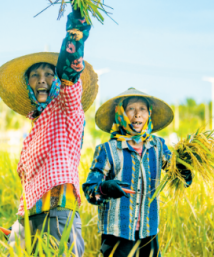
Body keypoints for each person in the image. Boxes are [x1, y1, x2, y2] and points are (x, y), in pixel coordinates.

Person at [0, 0, 98, 256]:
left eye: (48, 74)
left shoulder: (67, 108)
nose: (42, 81)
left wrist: (76, 21)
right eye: (35, 76)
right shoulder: (34, 127)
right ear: (28, 84)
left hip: (58, 216)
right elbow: (29, 187)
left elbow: (70, 72)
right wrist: (18, 226)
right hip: (30, 222)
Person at [82, 88, 193, 257]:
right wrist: (104, 188)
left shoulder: (157, 146)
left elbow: (176, 174)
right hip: (117, 235)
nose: (137, 114)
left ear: (149, 114)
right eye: (131, 109)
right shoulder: (108, 150)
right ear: (121, 114)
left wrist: (186, 169)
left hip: (148, 233)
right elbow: (90, 189)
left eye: (142, 109)